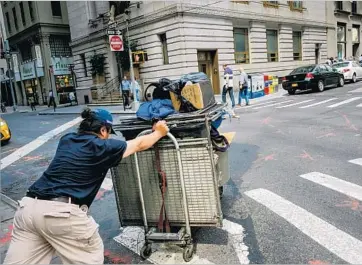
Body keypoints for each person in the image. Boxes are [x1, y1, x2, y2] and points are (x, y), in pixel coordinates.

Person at [3, 108, 169, 264]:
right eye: (108, 133)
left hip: (27, 209)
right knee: (91, 256)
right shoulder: (103, 146)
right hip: (61, 214)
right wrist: (159, 132)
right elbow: (139, 144)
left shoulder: (66, 140)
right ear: (103, 130)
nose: (109, 137)